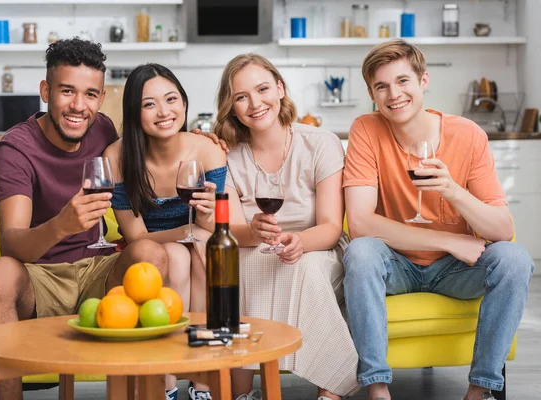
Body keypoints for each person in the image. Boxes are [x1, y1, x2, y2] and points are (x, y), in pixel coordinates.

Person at [342, 39, 535, 400]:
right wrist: (448, 240)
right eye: (381, 86)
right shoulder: (366, 129)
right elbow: (361, 224)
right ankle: (377, 388)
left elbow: (502, 230)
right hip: (396, 265)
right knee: (362, 252)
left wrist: (453, 191)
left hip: (456, 271)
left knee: (515, 258)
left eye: (402, 81)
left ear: (423, 81)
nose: (393, 94)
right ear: (371, 93)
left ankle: (480, 390)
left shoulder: (467, 135)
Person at [0, 39, 169, 400]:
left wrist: (204, 141)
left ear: (101, 97)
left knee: (151, 255)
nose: (79, 106)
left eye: (90, 94)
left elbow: (158, 149)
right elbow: (12, 242)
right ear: (46, 91)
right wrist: (62, 225)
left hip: (97, 270)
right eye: (67, 91)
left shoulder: (103, 129)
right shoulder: (15, 148)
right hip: (40, 276)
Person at [214, 53, 359, 400]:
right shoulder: (226, 156)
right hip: (253, 249)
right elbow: (232, 230)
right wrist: (254, 231)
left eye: (263, 89)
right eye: (241, 96)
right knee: (233, 267)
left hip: (317, 248)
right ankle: (242, 394)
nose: (255, 103)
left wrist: (299, 242)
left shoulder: (320, 143)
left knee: (304, 268)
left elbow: (329, 226)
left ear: (280, 89)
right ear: (231, 106)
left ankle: (332, 390)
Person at [103, 63, 227, 400]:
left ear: (184, 104)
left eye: (171, 99)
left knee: (203, 246)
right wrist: (186, 231)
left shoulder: (206, 150)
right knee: (174, 254)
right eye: (149, 104)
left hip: (196, 241)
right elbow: (136, 237)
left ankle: (202, 380)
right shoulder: (117, 157)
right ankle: (167, 379)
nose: (163, 111)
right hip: (147, 250)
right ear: (134, 113)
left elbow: (211, 225)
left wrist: (202, 220)